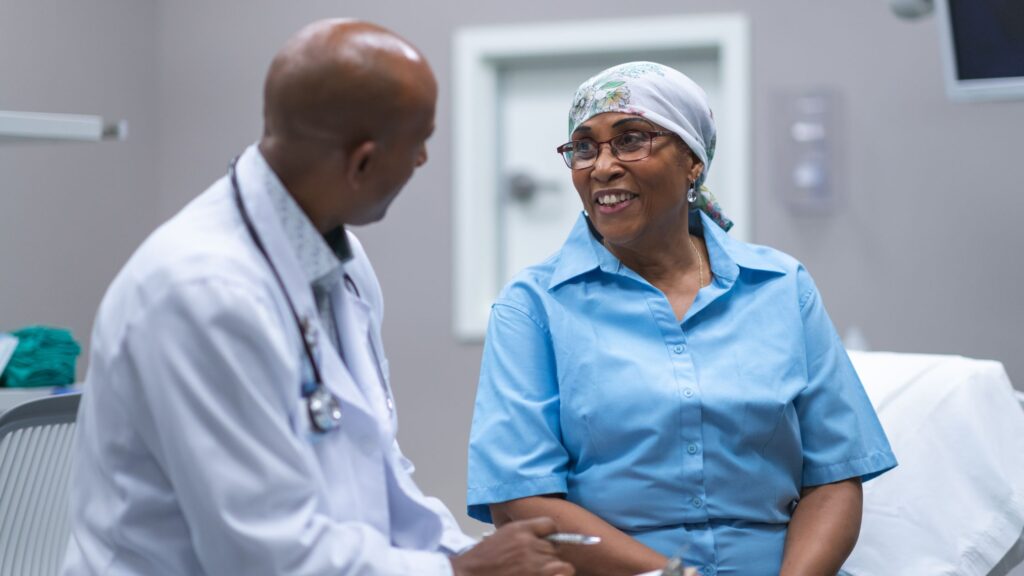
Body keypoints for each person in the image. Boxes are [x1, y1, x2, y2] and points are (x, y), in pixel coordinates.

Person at [62, 19, 574, 576]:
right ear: (362, 162)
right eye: (420, 142)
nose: (423, 160)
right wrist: (463, 573)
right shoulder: (200, 293)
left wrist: (463, 553)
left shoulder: (342, 261)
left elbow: (379, 471)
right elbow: (261, 556)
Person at [466, 61, 897, 576]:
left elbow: (834, 476)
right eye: (584, 147)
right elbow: (521, 500)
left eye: (630, 140)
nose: (602, 166)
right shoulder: (534, 305)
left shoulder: (781, 286)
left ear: (692, 161)